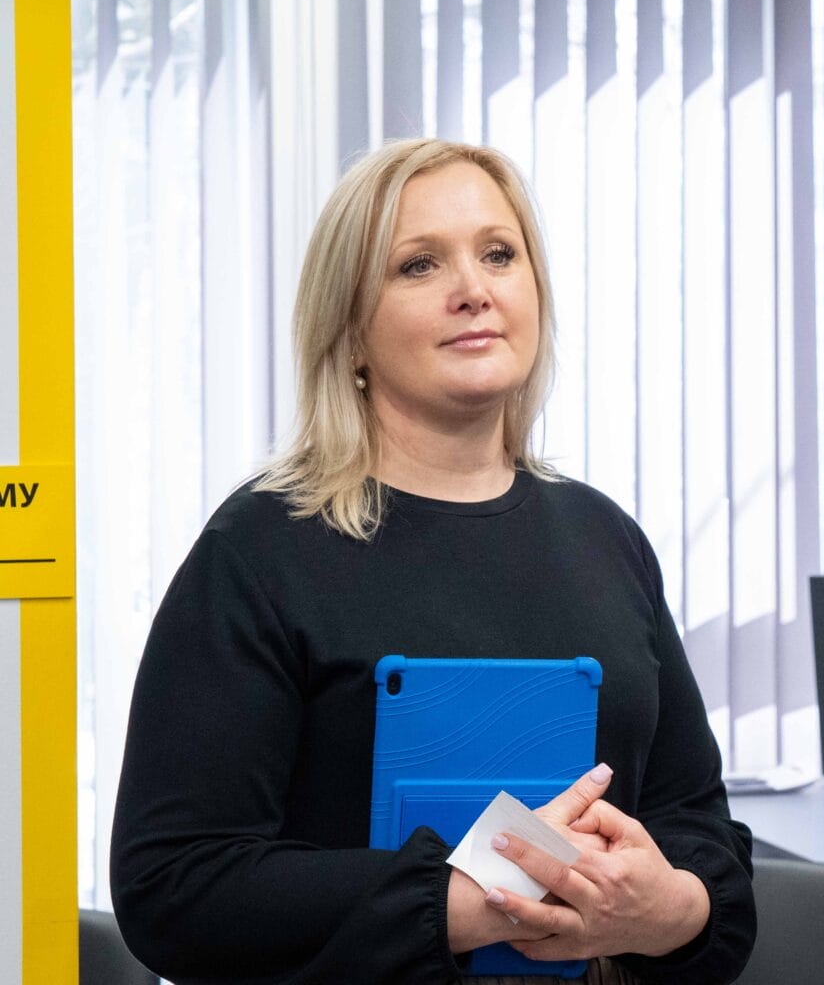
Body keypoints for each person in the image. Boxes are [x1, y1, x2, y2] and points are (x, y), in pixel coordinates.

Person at [111, 139, 755, 984]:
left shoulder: (605, 538)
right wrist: (465, 900)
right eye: (419, 265)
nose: (474, 290)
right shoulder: (260, 550)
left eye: (500, 254)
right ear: (349, 331)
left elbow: (699, 828)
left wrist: (674, 908)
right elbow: (174, 886)